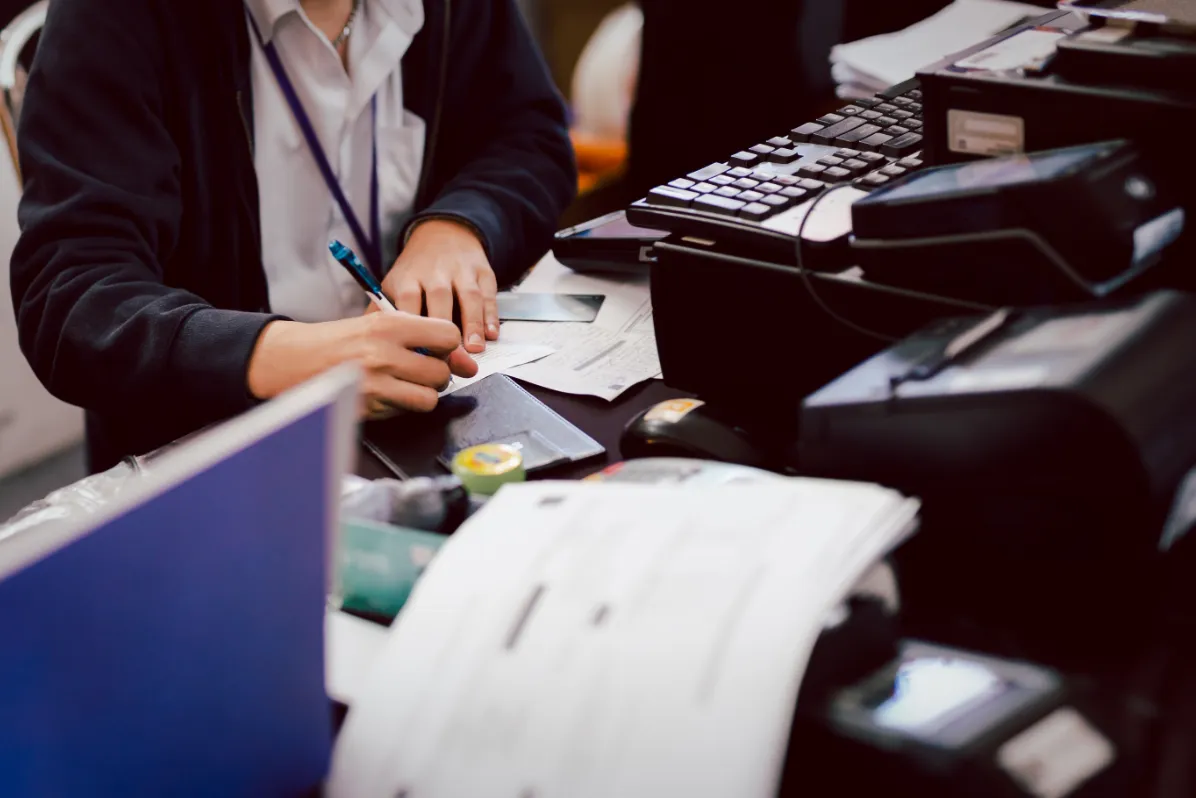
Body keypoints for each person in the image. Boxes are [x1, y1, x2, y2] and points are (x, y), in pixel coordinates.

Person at [10, 0, 576, 472]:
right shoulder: (119, 17)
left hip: (426, 414)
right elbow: (72, 299)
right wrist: (276, 357)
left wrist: (458, 225)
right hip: (215, 452)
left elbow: (528, 137)